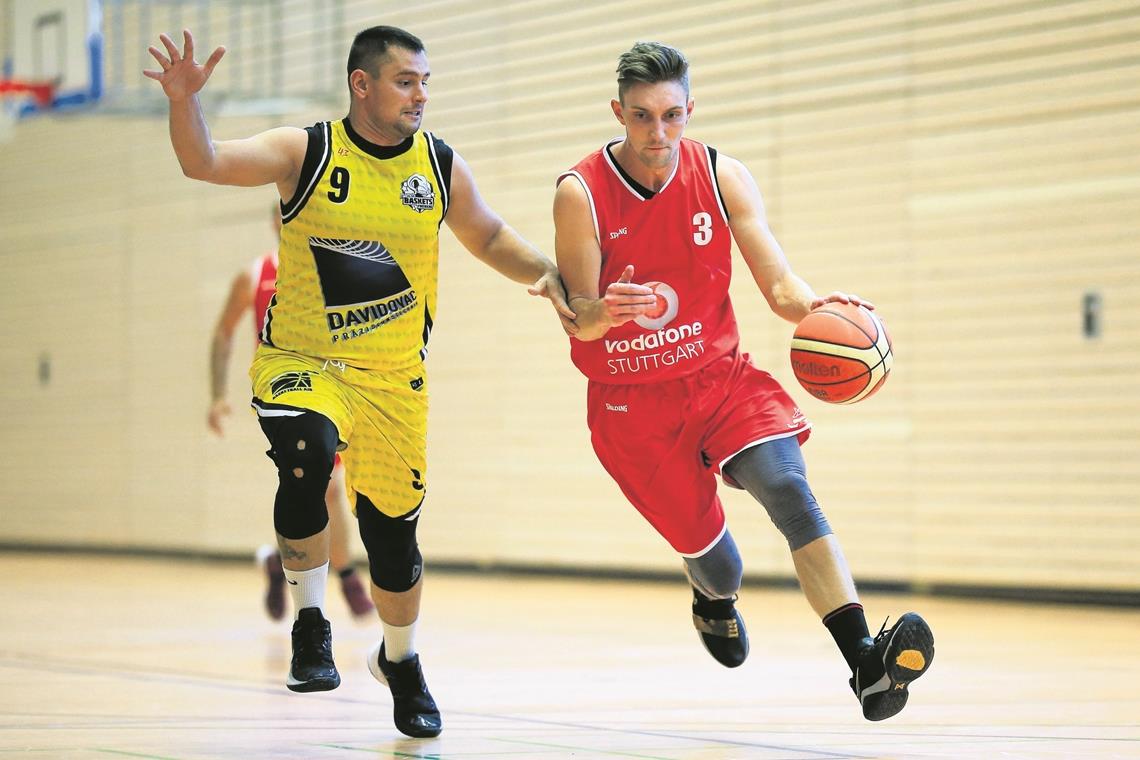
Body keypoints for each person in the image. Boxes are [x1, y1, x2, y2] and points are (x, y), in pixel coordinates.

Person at [146, 26, 575, 738]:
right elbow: (206, 161)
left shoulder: (437, 165)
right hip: (301, 362)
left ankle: (399, 661)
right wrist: (185, 103)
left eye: (425, 81)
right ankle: (310, 625)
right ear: (362, 84)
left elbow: (489, 235)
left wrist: (549, 276)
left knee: (393, 543)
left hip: (393, 379)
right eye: (406, 80)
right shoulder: (305, 150)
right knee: (307, 457)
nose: (420, 94)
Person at [552, 41, 934, 722]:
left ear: (690, 110)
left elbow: (779, 283)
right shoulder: (579, 193)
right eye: (641, 117)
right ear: (618, 112)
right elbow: (580, 319)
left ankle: (866, 669)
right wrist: (602, 311)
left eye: (672, 115)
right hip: (631, 408)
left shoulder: (723, 174)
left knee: (788, 488)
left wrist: (817, 308)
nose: (657, 134)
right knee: (721, 564)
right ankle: (712, 600)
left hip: (719, 379)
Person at [207, 207, 373, 622]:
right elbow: (223, 332)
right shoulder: (256, 275)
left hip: (329, 389)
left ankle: (283, 569)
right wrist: (217, 395)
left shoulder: (330, 268)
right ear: (278, 221)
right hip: (280, 393)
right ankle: (348, 576)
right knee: (326, 486)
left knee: (312, 487)